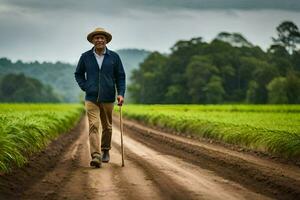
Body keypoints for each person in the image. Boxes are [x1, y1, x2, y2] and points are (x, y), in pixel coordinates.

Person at [75, 27, 126, 168]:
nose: (99, 40)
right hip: (91, 98)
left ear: (106, 40)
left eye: (101, 38)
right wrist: (86, 86)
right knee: (93, 125)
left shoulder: (114, 57)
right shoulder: (85, 57)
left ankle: (105, 150)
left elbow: (121, 76)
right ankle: (96, 155)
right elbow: (78, 74)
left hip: (108, 97)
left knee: (108, 127)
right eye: (96, 38)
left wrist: (121, 93)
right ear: (92, 40)